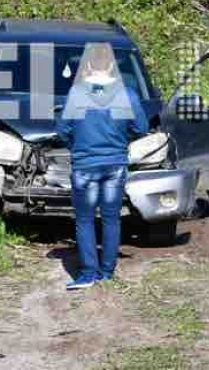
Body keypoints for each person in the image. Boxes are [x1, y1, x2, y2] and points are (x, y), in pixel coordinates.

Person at [57, 44, 149, 290]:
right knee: (111, 219)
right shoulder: (126, 94)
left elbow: (62, 131)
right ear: (111, 65)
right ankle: (107, 271)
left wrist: (79, 144)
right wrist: (120, 138)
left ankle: (88, 273)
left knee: (85, 219)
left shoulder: (77, 94)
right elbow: (141, 128)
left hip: (85, 164)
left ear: (87, 66)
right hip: (115, 164)